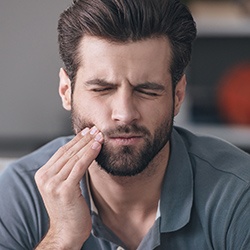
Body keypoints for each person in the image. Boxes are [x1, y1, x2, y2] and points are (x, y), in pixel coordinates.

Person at [0, 0, 250, 249]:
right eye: (102, 89)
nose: (125, 114)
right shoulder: (21, 192)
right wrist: (62, 238)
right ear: (66, 91)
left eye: (147, 91)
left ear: (178, 96)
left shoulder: (239, 192)